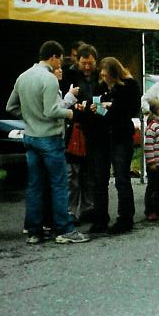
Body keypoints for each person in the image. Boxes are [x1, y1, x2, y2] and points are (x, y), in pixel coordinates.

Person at [6, 41, 90, 244]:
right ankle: (64, 229)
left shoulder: (23, 76)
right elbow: (52, 111)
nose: (60, 63)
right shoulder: (50, 79)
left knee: (35, 186)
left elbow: (11, 106)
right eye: (60, 58)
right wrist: (72, 113)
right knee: (59, 184)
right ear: (53, 57)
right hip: (50, 138)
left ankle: (34, 231)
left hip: (31, 136)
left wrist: (29, 116)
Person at [91, 56, 141, 235]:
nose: (105, 79)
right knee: (100, 179)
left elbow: (128, 110)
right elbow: (97, 109)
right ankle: (100, 219)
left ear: (114, 73)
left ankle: (125, 218)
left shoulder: (129, 86)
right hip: (103, 137)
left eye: (107, 75)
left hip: (121, 136)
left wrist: (108, 107)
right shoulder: (101, 87)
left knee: (121, 177)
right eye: (102, 75)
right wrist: (106, 108)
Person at [61, 43, 102, 224]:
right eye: (84, 63)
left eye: (90, 63)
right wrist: (74, 105)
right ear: (77, 61)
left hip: (94, 129)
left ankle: (88, 208)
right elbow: (61, 100)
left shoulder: (100, 77)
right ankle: (70, 211)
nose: (87, 67)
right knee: (73, 175)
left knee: (89, 174)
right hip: (74, 129)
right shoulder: (68, 76)